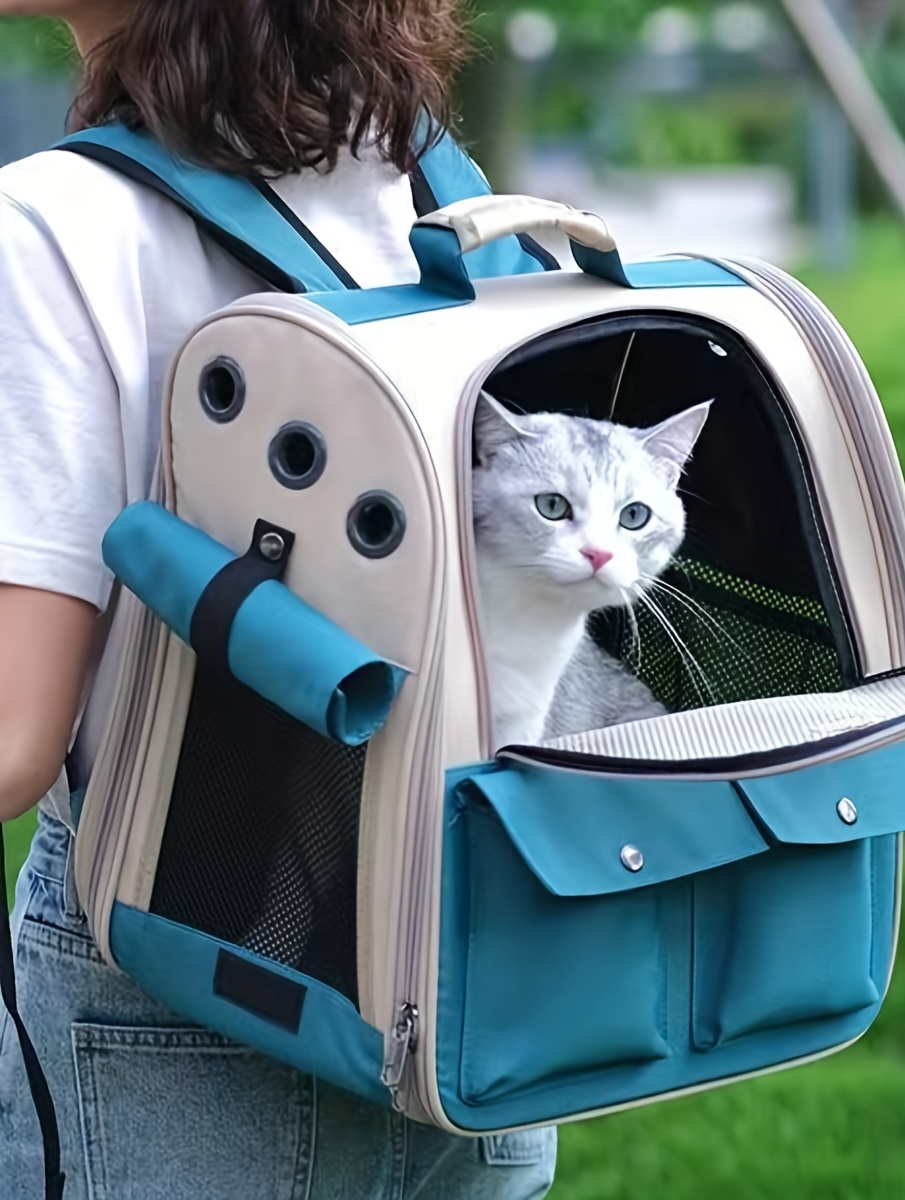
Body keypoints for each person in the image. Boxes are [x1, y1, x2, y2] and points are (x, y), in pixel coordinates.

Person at [0, 3, 557, 1196]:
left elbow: (11, 740)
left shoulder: (50, 222)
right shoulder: (434, 191)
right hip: (470, 957)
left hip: (181, 968)